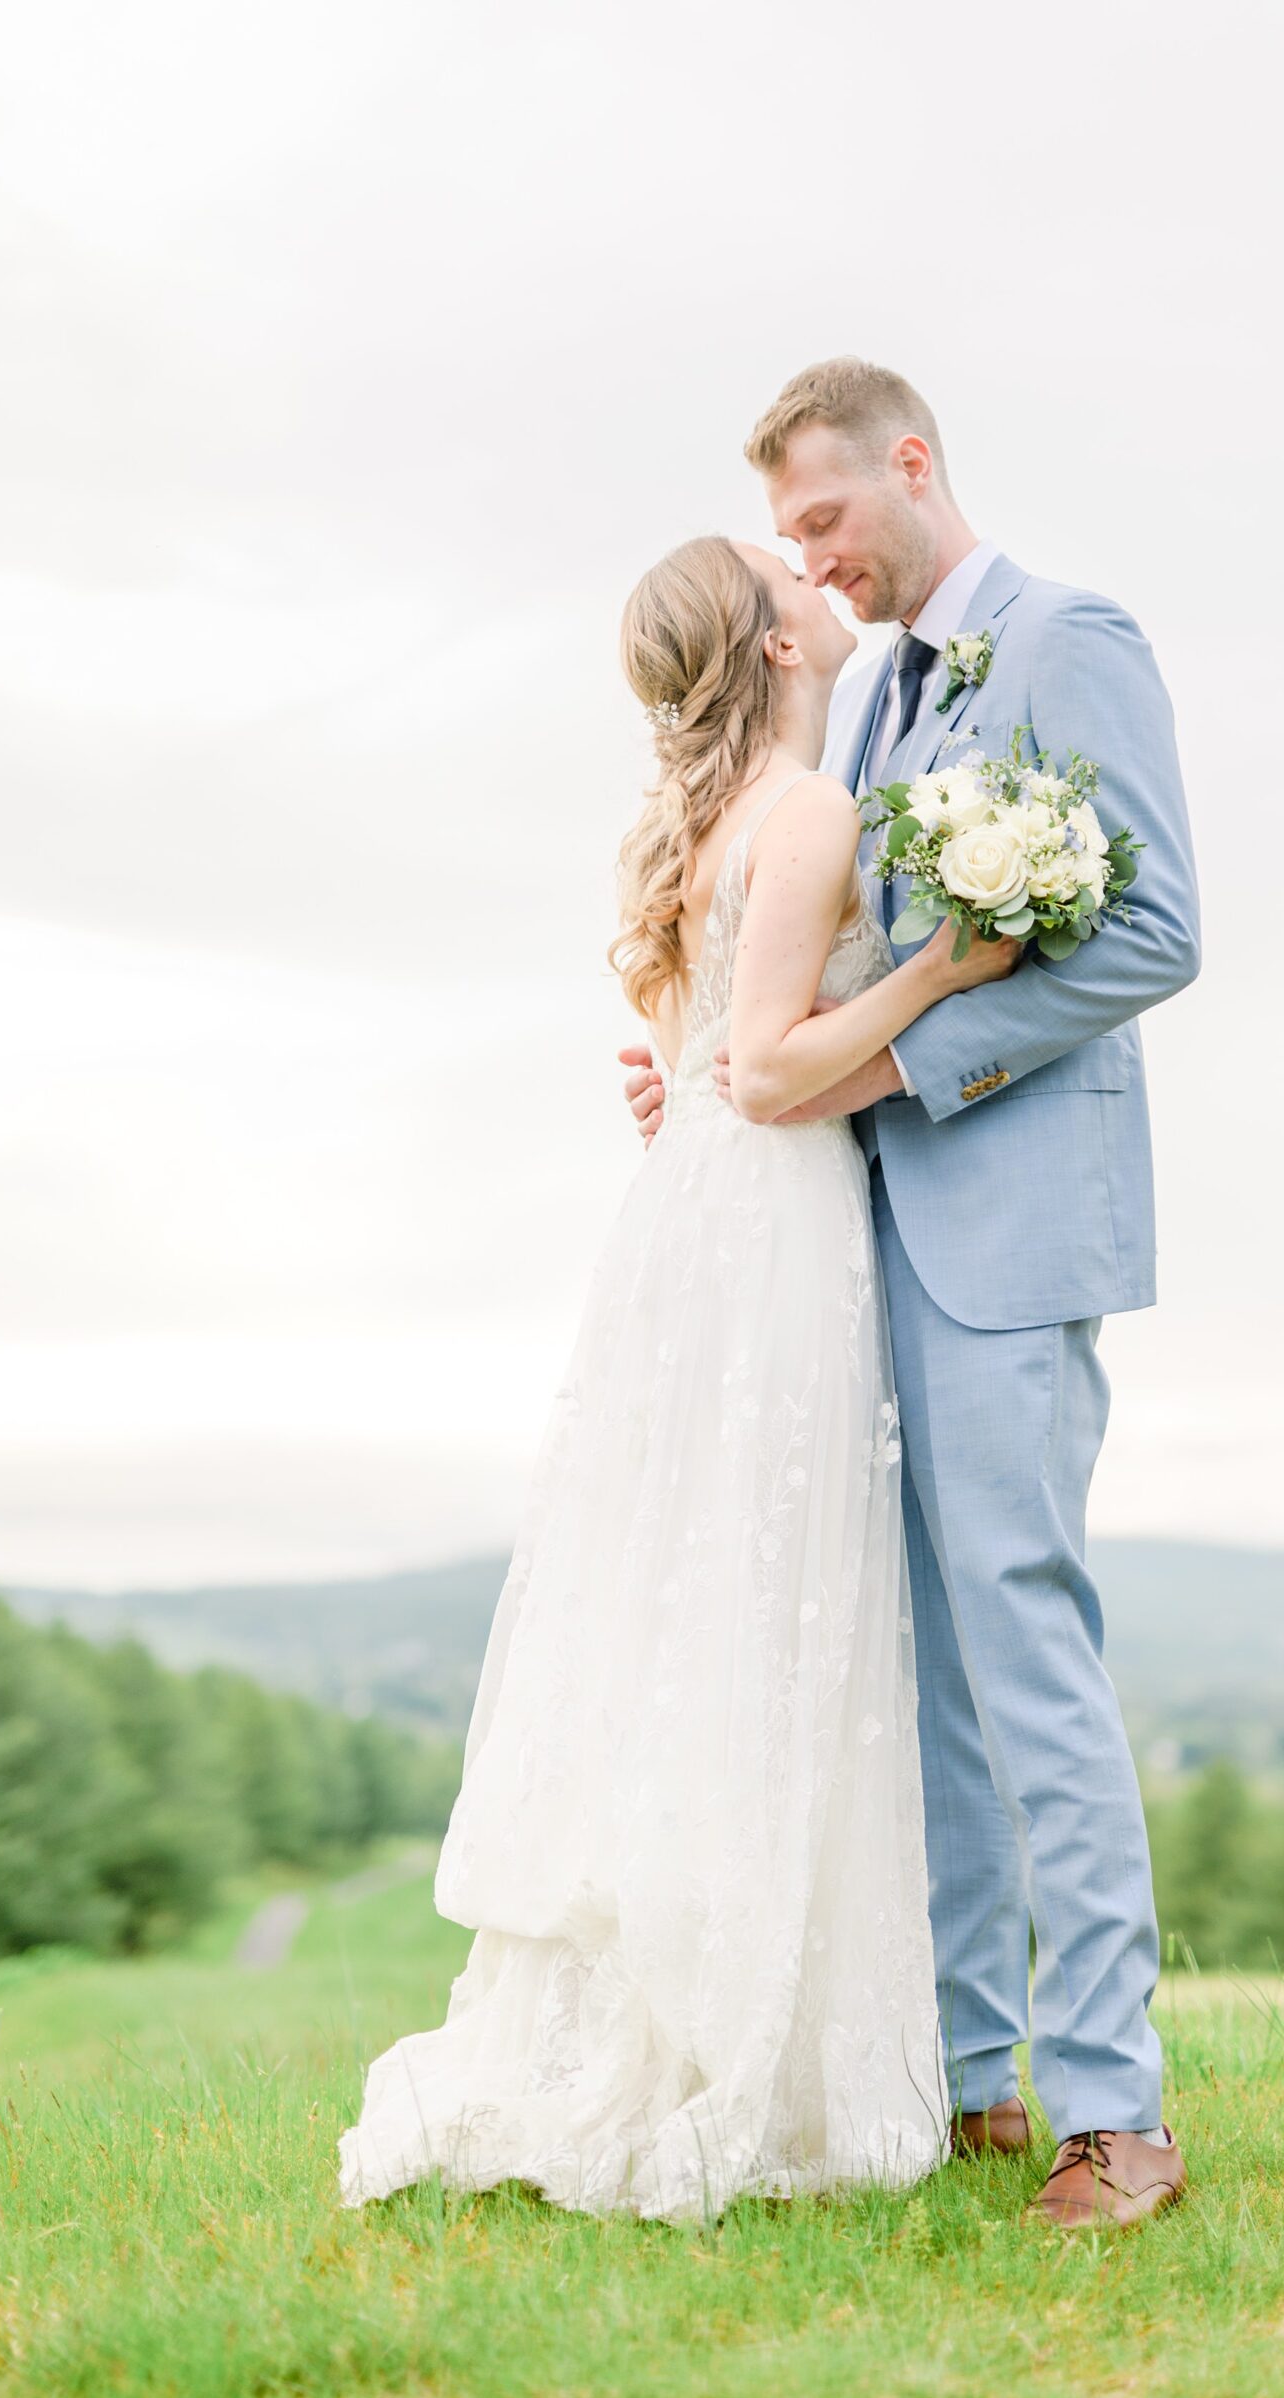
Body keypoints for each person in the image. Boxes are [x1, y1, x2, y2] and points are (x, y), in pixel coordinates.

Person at [339, 532, 1016, 2221]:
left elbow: (686, 1052)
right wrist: (946, 970)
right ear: (778, 646)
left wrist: (698, 1081)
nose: (814, 577)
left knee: (687, 1599)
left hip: (684, 1225)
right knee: (763, 1604)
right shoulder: (803, 816)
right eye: (783, 576)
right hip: (766, 1223)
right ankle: (731, 2048)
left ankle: (699, 1993)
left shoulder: (702, 824)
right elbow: (772, 1067)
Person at [621, 362, 1201, 2229]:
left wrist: (889, 1070)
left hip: (1013, 1228)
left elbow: (1156, 932)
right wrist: (720, 1060)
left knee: (1024, 1647)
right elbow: (833, 954)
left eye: (822, 521)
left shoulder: (1068, 637)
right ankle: (969, 2087)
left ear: (911, 466)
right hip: (855, 1235)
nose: (813, 558)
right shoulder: (869, 697)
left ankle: (1116, 2110)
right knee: (923, 1674)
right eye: (787, 538)